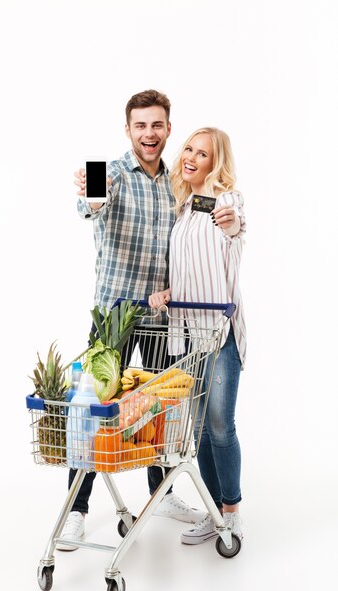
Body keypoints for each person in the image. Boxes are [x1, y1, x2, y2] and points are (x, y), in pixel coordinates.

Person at [60, 90, 204, 550]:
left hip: (161, 318)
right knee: (93, 415)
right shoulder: (113, 173)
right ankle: (75, 512)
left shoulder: (174, 184)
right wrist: (91, 195)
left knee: (157, 411)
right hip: (115, 316)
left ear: (168, 129)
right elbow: (91, 205)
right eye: (140, 125)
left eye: (157, 125)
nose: (149, 133)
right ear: (128, 130)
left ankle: (160, 494)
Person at [149, 127, 246, 544]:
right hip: (188, 336)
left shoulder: (225, 201)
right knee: (199, 430)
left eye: (202, 153)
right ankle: (212, 510)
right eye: (188, 148)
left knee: (221, 426)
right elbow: (188, 268)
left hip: (220, 333)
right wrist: (171, 292)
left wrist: (235, 224)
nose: (190, 157)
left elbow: (235, 228)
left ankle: (232, 511)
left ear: (215, 162)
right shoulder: (185, 208)